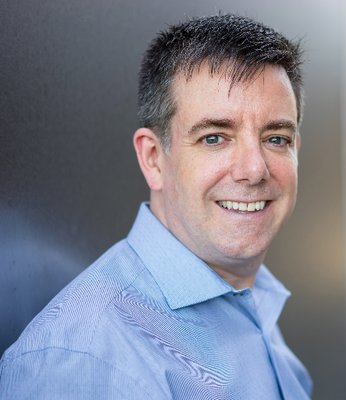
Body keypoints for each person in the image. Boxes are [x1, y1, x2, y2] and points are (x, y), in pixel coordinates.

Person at [0, 14, 312, 399]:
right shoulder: (87, 358)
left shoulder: (248, 293)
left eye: (276, 138)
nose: (254, 169)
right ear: (153, 158)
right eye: (214, 137)